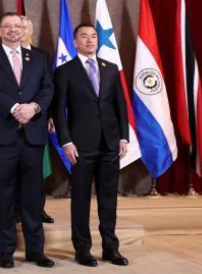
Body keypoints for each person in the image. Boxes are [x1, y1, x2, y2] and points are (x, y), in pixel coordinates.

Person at [0, 12, 54, 269]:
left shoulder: (39, 58)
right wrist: (14, 108)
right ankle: (6, 251)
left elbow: (48, 89)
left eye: (17, 26)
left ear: (24, 31)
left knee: (33, 196)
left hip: (33, 134)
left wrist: (34, 108)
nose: (13, 30)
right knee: (4, 195)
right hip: (4, 136)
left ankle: (36, 251)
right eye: (7, 26)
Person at [53, 23, 129, 267]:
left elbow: (120, 106)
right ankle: (82, 249)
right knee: (81, 200)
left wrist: (124, 137)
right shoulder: (65, 71)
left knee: (108, 200)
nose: (90, 40)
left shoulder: (111, 68)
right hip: (80, 145)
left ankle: (111, 249)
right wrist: (66, 141)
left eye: (93, 36)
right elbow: (58, 111)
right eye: (84, 37)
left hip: (110, 144)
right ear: (75, 42)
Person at [20, 16, 55, 224]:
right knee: (14, 169)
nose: (21, 31)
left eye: (25, 27)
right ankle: (16, 210)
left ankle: (38, 209)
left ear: (31, 31)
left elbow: (49, 88)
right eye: (17, 27)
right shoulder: (0, 56)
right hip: (10, 119)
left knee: (37, 168)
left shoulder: (43, 56)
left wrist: (49, 115)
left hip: (37, 119)